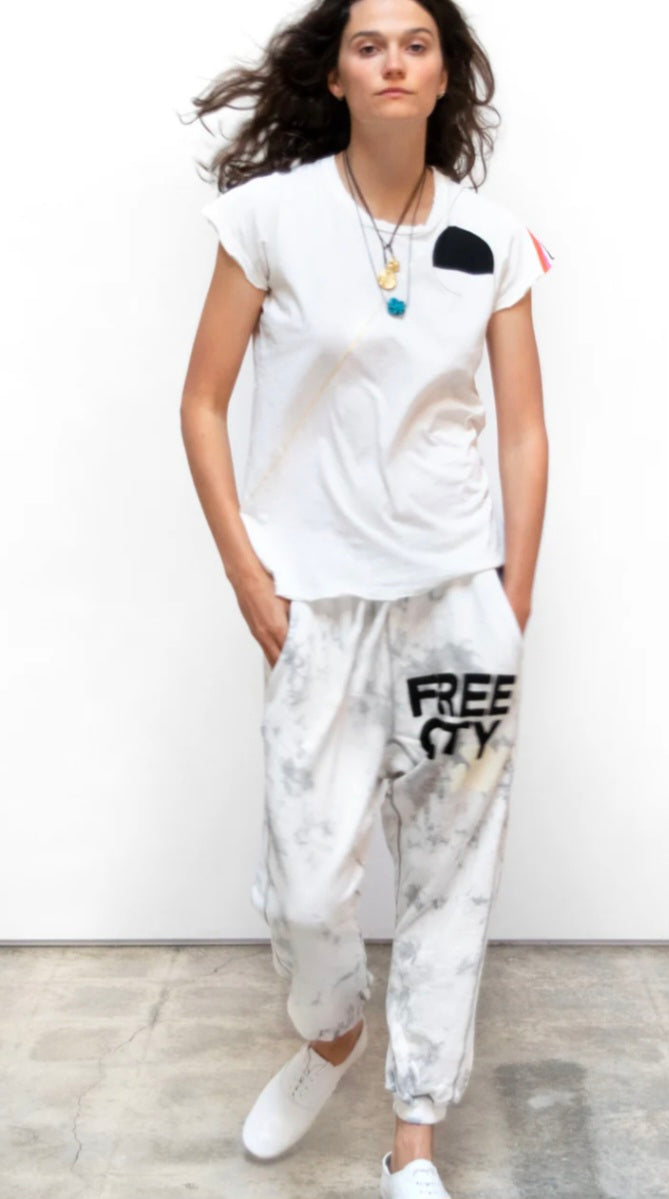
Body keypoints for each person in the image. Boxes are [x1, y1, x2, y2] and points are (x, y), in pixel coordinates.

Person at [181, 0, 555, 1194]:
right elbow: (201, 401)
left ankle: (414, 1140)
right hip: (320, 607)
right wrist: (248, 574)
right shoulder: (268, 217)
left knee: (452, 868)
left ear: (445, 76)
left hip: (459, 608)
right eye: (368, 44)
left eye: (417, 44)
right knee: (305, 885)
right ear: (336, 75)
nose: (394, 61)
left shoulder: (492, 236)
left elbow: (524, 430)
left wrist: (510, 603)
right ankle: (332, 1027)